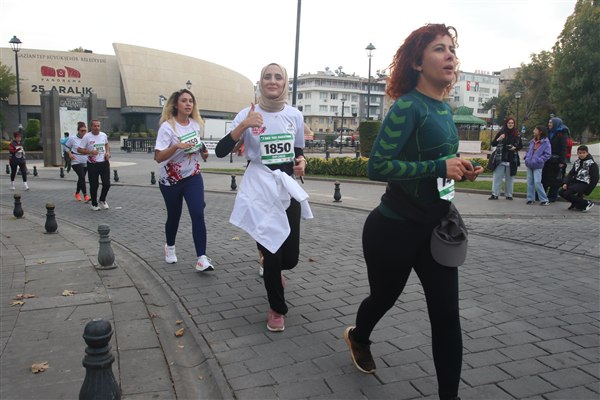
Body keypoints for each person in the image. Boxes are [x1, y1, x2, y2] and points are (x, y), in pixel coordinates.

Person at [343, 24, 482, 400]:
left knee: (447, 317)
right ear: (418, 63)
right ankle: (359, 336)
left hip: (435, 230)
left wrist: (459, 168)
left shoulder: (444, 109)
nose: (450, 55)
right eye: (439, 48)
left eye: (452, 49)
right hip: (393, 229)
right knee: (383, 298)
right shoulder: (408, 106)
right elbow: (377, 166)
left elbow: (439, 160)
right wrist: (439, 166)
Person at [215, 63, 312, 333]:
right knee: (272, 253)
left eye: (278, 77)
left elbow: (298, 150)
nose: (272, 81)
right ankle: (276, 309)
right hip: (258, 187)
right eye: (267, 77)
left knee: (289, 258)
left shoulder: (294, 115)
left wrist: (302, 162)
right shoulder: (247, 113)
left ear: (284, 83)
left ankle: (273, 268)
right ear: (261, 82)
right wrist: (245, 124)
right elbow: (221, 151)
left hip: (286, 186)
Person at [154, 88, 213, 272]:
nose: (188, 104)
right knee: (174, 216)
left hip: (192, 176)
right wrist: (176, 147)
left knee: (197, 213)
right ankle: (170, 246)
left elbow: (197, 146)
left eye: (191, 101)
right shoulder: (167, 127)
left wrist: (203, 152)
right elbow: (158, 157)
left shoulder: (196, 125)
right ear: (175, 105)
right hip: (170, 179)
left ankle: (202, 258)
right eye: (184, 101)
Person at [78, 119, 111, 211]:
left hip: (104, 162)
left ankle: (102, 199)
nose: (97, 128)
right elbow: (79, 149)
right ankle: (94, 204)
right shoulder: (87, 137)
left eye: (98, 126)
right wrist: (90, 152)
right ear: (91, 127)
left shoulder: (103, 135)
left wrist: (107, 152)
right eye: (95, 126)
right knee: (94, 185)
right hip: (92, 164)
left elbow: (106, 144)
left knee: (107, 183)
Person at [488, 117, 523, 200]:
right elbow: (493, 143)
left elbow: (520, 146)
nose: (510, 124)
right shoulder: (501, 132)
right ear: (506, 124)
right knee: (497, 178)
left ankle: (509, 195)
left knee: (510, 179)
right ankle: (495, 194)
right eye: (509, 123)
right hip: (500, 158)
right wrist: (499, 138)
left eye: (512, 123)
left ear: (514, 124)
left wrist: (515, 148)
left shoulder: (517, 134)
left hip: (511, 159)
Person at [559, 145, 598, 211]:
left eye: (583, 153)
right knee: (561, 192)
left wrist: (588, 191)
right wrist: (566, 183)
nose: (582, 154)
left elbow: (595, 178)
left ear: (587, 153)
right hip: (575, 181)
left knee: (567, 193)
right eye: (580, 153)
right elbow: (571, 173)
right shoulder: (577, 162)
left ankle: (586, 203)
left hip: (584, 182)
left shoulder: (592, 164)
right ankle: (576, 203)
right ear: (577, 153)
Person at [542, 117, 568, 202]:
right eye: (549, 122)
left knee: (555, 180)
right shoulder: (547, 132)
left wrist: (562, 161)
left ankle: (552, 196)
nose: (549, 124)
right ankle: (541, 195)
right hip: (547, 159)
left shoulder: (562, 133)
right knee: (545, 178)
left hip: (556, 160)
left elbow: (563, 148)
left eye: (551, 123)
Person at [524, 125, 551, 205]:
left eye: (535, 130)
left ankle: (544, 199)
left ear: (540, 132)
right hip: (529, 164)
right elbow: (528, 150)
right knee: (530, 182)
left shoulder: (546, 142)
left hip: (538, 165)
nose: (534, 131)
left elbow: (548, 154)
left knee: (537, 182)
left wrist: (540, 160)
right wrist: (526, 157)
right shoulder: (532, 141)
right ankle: (530, 198)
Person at [66, 122, 90, 202]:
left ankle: (77, 193)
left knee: (81, 178)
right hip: (76, 160)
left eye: (85, 130)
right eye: (81, 130)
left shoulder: (87, 138)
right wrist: (70, 154)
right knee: (82, 176)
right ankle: (85, 195)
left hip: (85, 159)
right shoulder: (72, 138)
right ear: (78, 130)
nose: (83, 132)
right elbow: (66, 147)